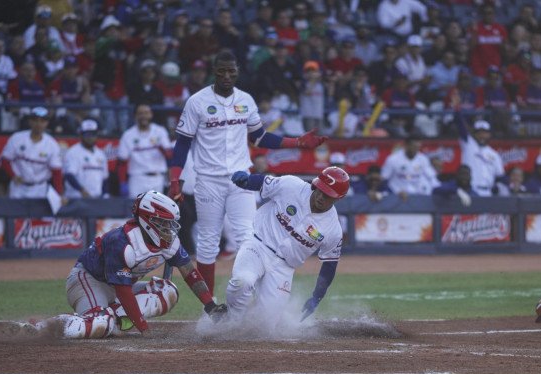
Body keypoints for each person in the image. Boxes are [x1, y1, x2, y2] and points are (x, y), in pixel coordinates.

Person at [167, 50, 327, 294]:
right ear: (214, 72)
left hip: (241, 178)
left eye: (231, 71)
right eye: (222, 71)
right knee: (208, 242)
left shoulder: (245, 100)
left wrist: (297, 142)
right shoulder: (197, 102)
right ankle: (208, 308)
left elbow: (260, 137)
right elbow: (182, 143)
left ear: (237, 72)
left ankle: (252, 299)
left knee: (249, 238)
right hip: (208, 180)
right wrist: (175, 179)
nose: (227, 76)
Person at [26, 191, 227, 339]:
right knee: (100, 325)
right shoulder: (122, 242)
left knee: (168, 291)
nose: (169, 229)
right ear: (149, 221)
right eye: (164, 223)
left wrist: (210, 306)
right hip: (88, 280)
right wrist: (143, 328)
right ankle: (46, 326)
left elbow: (190, 273)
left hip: (119, 287)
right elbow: (123, 291)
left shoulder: (169, 242)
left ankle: (112, 314)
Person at [225, 167, 349, 328]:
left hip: (283, 267)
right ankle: (230, 322)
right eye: (319, 190)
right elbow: (262, 182)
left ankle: (250, 316)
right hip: (258, 245)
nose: (320, 196)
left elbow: (329, 265)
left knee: (265, 327)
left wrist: (317, 297)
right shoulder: (292, 186)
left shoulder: (333, 229)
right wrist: (246, 180)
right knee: (242, 281)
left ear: (338, 198)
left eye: (327, 195)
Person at [0, 107, 63, 199]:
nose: (39, 124)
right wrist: (13, 176)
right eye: (35, 120)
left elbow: (57, 172)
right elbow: (5, 160)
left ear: (47, 123)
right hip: (18, 187)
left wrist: (59, 194)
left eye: (42, 121)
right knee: (16, 213)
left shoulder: (52, 144)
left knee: (38, 213)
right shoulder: (17, 138)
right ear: (30, 121)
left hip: (40, 188)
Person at [117, 104, 173, 199]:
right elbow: (122, 161)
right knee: (136, 212)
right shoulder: (128, 135)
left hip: (157, 178)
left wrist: (161, 148)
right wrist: (123, 182)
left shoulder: (160, 131)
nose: (143, 116)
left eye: (146, 113)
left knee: (155, 212)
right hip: (137, 178)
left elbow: (170, 156)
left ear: (151, 115)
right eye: (140, 113)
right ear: (135, 116)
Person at [453, 101, 504, 198]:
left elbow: (500, 176)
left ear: (489, 134)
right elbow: (461, 126)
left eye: (485, 132)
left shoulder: (494, 154)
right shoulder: (468, 145)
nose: (482, 135)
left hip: (488, 193)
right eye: (479, 132)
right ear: (474, 134)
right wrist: (457, 108)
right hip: (471, 191)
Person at [63, 119, 108, 200]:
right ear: (81, 135)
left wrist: (104, 194)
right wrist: (82, 190)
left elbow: (105, 178)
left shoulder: (101, 154)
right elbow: (69, 175)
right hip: (77, 198)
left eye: (93, 134)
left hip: (96, 199)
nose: (90, 137)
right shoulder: (73, 152)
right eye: (87, 134)